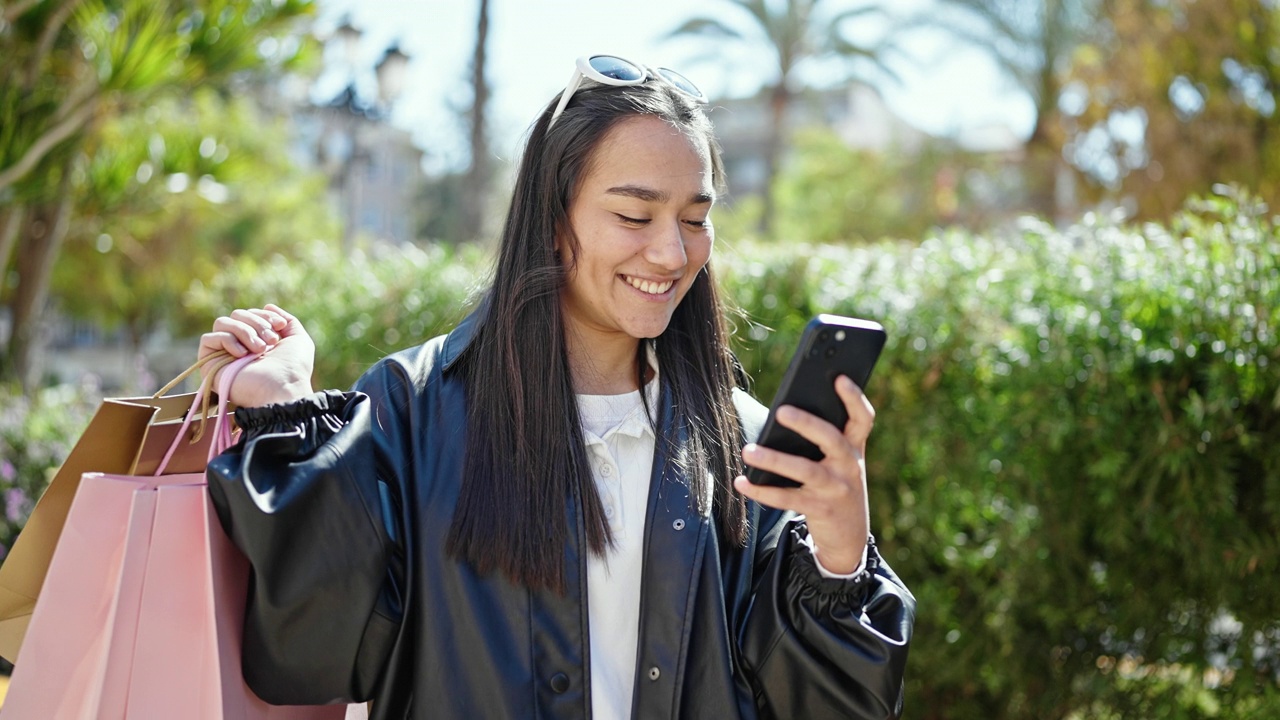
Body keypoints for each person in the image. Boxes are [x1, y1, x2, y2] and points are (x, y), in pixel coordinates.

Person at [200, 55, 914, 720]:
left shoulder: (742, 443)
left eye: (695, 219)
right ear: (552, 218)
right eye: (634, 215)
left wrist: (841, 552)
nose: (671, 252)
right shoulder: (411, 407)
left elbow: (828, 705)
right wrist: (283, 411)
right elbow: (316, 653)